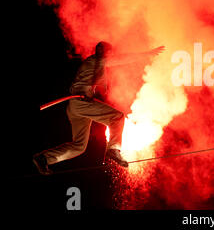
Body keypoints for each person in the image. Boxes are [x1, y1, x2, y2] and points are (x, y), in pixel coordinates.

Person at [33, 42, 165, 175]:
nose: (112, 55)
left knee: (79, 146)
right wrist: (146, 54)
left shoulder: (94, 63)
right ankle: (113, 149)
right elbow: (123, 58)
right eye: (110, 52)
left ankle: (44, 158)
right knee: (117, 117)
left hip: (75, 106)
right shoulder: (98, 59)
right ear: (103, 51)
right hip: (81, 102)